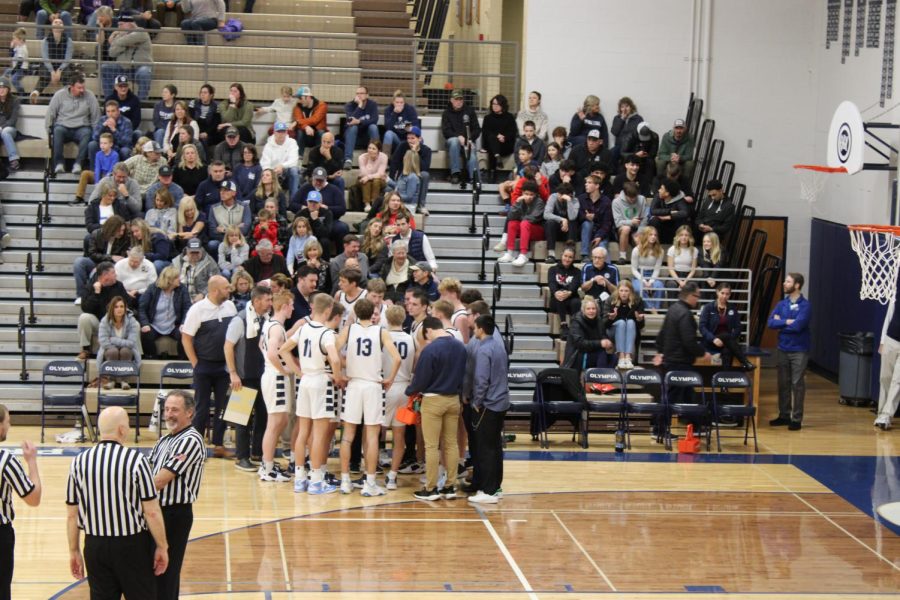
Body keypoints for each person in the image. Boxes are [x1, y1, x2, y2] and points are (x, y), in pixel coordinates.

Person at [66, 407, 169, 600]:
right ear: (121, 430)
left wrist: (73, 551)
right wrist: (162, 546)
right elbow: (152, 512)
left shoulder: (78, 462)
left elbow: (72, 514)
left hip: (95, 545)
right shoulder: (137, 461)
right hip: (131, 546)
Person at [280, 293, 346, 494]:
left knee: (302, 432)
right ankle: (316, 480)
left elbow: (283, 350)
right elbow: (335, 360)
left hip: (305, 380)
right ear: (328, 311)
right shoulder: (326, 333)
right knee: (318, 434)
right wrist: (337, 377)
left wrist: (298, 371)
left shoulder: (303, 328)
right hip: (320, 382)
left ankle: (300, 479)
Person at [335, 299, 401, 496]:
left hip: (354, 385)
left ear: (355, 312)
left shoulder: (349, 330)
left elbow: (332, 352)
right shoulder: (381, 332)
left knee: (347, 436)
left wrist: (339, 374)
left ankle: (345, 481)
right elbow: (397, 358)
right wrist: (390, 378)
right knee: (372, 436)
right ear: (373, 313)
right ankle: (370, 483)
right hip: (373, 386)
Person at [148, 390, 205, 600]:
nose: (169, 414)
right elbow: (146, 471)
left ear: (189, 413)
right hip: (155, 511)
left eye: (175, 410)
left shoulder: (191, 440)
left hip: (174, 514)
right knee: (153, 570)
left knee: (166, 573)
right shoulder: (164, 440)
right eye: (166, 409)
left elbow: (160, 480)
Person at [406, 316, 467, 500]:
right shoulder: (460, 346)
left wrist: (409, 390)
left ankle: (431, 488)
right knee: (451, 444)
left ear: (428, 330)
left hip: (433, 400)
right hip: (454, 399)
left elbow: (421, 378)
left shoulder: (430, 349)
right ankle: (450, 486)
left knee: (431, 446)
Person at [182, 274, 237, 456]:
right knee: (201, 408)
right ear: (215, 290)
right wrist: (196, 364)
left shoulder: (230, 306)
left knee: (223, 407)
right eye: (226, 288)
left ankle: (219, 445)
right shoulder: (197, 310)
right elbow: (186, 338)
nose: (229, 290)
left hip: (224, 366)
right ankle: (196, 448)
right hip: (204, 365)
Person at [224, 284, 272, 471]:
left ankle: (257, 453)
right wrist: (233, 373)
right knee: (241, 418)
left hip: (262, 375)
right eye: (267, 300)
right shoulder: (240, 320)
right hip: (243, 376)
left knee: (263, 415)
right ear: (257, 300)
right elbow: (228, 347)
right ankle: (241, 457)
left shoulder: (266, 319)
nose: (270, 303)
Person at [652, 282, 710, 433]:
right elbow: (689, 341)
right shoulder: (685, 314)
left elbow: (661, 336)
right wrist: (703, 353)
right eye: (697, 296)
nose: (697, 300)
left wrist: (660, 351)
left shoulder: (672, 309)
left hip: (672, 361)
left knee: (687, 395)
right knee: (673, 397)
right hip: (680, 363)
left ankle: (695, 426)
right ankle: (659, 429)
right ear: (690, 296)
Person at [0, 404, 42, 600]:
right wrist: (31, 461)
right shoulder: (6, 461)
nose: (9, 426)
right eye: (7, 422)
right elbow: (33, 498)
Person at [467, 315, 509, 504]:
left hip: (488, 404)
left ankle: (489, 490)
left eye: (475, 327)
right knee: (495, 447)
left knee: (485, 448)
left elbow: (481, 380)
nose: (473, 330)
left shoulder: (484, 350)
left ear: (481, 329)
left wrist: (477, 401)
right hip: (501, 402)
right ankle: (496, 487)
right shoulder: (499, 346)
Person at [258, 290, 295, 482]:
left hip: (271, 375)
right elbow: (272, 353)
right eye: (291, 305)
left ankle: (268, 464)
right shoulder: (276, 328)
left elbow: (260, 345)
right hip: (275, 377)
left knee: (279, 422)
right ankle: (267, 467)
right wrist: (284, 369)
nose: (293, 308)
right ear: (284, 306)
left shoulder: (270, 324)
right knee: (275, 423)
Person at [767, 273, 811, 431]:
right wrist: (786, 321)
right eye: (785, 280)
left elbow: (798, 326)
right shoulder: (781, 304)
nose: (784, 283)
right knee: (783, 383)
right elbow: (771, 323)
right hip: (783, 348)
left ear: (797, 285)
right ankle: (784, 415)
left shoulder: (805, 305)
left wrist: (781, 323)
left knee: (797, 384)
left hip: (799, 349)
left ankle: (796, 418)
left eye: (788, 281)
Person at [382, 305, 415, 489]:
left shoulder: (383, 337)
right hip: (404, 388)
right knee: (399, 435)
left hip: (385, 386)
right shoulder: (410, 339)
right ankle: (393, 477)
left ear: (387, 319)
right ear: (403, 320)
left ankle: (369, 472)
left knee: (374, 431)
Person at [76, 261, 133, 361]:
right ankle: (85, 349)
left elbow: (128, 304)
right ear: (105, 275)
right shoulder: (91, 285)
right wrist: (96, 293)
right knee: (84, 317)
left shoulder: (119, 286)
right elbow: (86, 308)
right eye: (113, 273)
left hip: (115, 323)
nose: (116, 275)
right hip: (99, 322)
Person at [45, 73, 100, 174]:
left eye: (83, 87)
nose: (82, 90)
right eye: (79, 88)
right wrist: (48, 129)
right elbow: (50, 114)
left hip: (82, 127)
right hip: (63, 126)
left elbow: (96, 117)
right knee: (57, 130)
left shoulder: (90, 96)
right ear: (71, 87)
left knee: (88, 132)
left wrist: (96, 134)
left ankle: (78, 164)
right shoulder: (59, 95)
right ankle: (59, 163)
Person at [138, 265, 190, 358]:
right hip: (155, 325)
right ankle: (151, 358)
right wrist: (145, 323)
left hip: (174, 325)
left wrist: (183, 323)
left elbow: (187, 308)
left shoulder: (182, 289)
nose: (180, 279)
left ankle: (183, 361)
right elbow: (142, 307)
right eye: (177, 277)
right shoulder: (153, 288)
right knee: (146, 334)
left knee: (185, 334)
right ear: (169, 280)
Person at [699, 282, 754, 370]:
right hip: (711, 342)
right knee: (726, 335)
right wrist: (713, 339)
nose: (724, 296)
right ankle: (745, 362)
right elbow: (702, 327)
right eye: (722, 293)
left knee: (727, 351)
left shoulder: (732, 308)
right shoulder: (708, 307)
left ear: (730, 295)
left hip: (727, 343)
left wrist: (730, 339)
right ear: (717, 292)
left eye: (727, 294)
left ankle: (724, 380)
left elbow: (738, 327)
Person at [101, 14, 153, 100]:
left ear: (129, 24)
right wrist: (126, 44)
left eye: (121, 24)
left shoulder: (142, 32)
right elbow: (112, 53)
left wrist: (116, 41)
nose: (119, 27)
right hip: (123, 67)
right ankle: (110, 100)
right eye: (118, 25)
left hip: (140, 67)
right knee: (105, 67)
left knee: (144, 72)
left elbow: (124, 41)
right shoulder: (120, 35)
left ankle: (141, 102)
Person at [498, 180, 544, 267]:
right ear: (522, 193)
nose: (528, 197)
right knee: (512, 223)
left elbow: (533, 218)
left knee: (524, 223)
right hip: (525, 228)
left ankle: (523, 255)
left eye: (531, 195)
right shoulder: (520, 200)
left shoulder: (539, 202)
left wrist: (521, 218)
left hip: (537, 231)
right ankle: (509, 253)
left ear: (535, 195)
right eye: (526, 194)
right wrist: (517, 203)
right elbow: (511, 216)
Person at [30, 17, 74, 105]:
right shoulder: (45, 41)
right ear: (51, 26)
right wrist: (52, 72)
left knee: (67, 74)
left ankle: (70, 94)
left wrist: (60, 70)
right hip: (49, 65)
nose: (58, 23)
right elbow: (45, 58)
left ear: (63, 27)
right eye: (55, 22)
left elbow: (67, 58)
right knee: (44, 74)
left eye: (60, 22)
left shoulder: (68, 41)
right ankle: (36, 93)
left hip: (62, 65)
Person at [563, 297, 614, 373]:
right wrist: (600, 343)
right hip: (579, 355)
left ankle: (602, 379)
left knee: (614, 358)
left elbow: (603, 336)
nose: (591, 311)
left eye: (593, 309)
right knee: (602, 353)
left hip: (593, 352)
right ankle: (599, 382)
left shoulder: (598, 320)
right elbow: (579, 343)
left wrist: (607, 343)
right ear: (583, 310)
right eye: (588, 309)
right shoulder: (576, 321)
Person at [602, 280, 645, 370]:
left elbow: (640, 326)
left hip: (630, 331)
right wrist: (611, 318)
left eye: (626, 291)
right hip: (612, 331)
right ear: (618, 291)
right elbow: (604, 324)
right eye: (621, 290)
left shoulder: (637, 301)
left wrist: (639, 319)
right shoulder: (610, 300)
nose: (623, 293)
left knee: (631, 322)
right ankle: (621, 357)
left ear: (631, 292)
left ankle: (628, 357)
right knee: (621, 323)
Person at [441, 88, 480, 185]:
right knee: (454, 141)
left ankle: (474, 180)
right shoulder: (446, 113)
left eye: (460, 99)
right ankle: (455, 174)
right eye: (456, 99)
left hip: (468, 141)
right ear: (451, 100)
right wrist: (458, 137)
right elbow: (446, 131)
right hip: (453, 142)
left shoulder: (470, 111)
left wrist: (469, 140)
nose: (459, 102)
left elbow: (477, 129)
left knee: (472, 156)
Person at [481, 94, 519, 181]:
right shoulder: (488, 118)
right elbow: (485, 132)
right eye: (493, 104)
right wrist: (496, 136)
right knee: (492, 140)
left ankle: (492, 172)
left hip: (505, 145)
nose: (495, 106)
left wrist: (504, 137)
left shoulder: (509, 117)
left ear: (503, 105)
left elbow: (513, 132)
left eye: (497, 104)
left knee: (493, 146)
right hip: (491, 144)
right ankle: (497, 158)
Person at [207, 179, 250, 256]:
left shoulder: (244, 206)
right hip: (221, 241)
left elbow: (245, 229)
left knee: (246, 244)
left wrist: (223, 230)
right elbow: (212, 231)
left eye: (226, 190)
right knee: (212, 244)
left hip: (239, 240)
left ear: (234, 193)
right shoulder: (213, 208)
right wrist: (236, 229)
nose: (222, 193)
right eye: (221, 190)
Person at [578, 174, 615, 260]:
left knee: (602, 249)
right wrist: (585, 217)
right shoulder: (581, 198)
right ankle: (585, 255)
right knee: (587, 223)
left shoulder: (606, 201)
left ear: (597, 186)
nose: (586, 184)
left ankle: (607, 270)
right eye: (586, 182)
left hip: (600, 232)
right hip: (584, 231)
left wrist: (599, 236)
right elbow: (577, 216)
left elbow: (608, 222)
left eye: (589, 182)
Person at [260, 121, 301, 199]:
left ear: (286, 132)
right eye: (278, 132)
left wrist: (282, 166)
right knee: (265, 174)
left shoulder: (292, 143)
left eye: (283, 131)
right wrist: (272, 171)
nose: (281, 134)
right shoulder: (268, 146)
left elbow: (294, 160)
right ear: (274, 132)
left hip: (287, 172)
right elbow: (265, 164)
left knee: (294, 171)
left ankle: (293, 201)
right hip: (273, 173)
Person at [342, 86, 379, 170]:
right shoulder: (349, 105)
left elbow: (374, 120)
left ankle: (375, 158)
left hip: (367, 138)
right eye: (357, 93)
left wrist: (359, 122)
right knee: (353, 127)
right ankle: (348, 160)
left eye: (361, 93)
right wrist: (359, 106)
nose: (359, 95)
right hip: (353, 137)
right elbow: (350, 121)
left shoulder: (372, 105)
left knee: (373, 127)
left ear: (367, 95)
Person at [542, 182, 580, 264]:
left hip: (569, 231)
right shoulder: (553, 197)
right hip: (555, 229)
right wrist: (562, 219)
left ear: (569, 195)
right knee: (550, 222)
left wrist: (569, 202)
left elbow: (572, 217)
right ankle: (551, 255)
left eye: (561, 195)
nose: (559, 196)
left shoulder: (575, 200)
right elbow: (546, 214)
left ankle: (570, 254)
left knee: (573, 223)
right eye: (559, 194)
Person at [612, 181, 648, 264]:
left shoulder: (642, 199)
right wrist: (631, 222)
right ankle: (622, 256)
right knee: (626, 229)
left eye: (634, 197)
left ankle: (643, 259)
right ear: (625, 194)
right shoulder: (616, 202)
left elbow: (644, 218)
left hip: (637, 227)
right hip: (622, 228)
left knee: (640, 235)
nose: (633, 200)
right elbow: (618, 222)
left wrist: (639, 232)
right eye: (630, 198)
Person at [548, 245, 581, 336]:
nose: (567, 259)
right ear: (562, 255)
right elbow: (551, 283)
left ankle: (575, 326)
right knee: (560, 298)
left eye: (570, 257)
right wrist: (556, 292)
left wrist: (569, 292)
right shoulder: (553, 269)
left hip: (571, 298)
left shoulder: (577, 271)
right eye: (565, 256)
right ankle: (563, 326)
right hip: (556, 300)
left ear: (573, 259)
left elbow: (575, 284)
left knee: (576, 302)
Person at [648, 179, 690, 244]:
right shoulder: (658, 195)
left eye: (661, 189)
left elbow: (684, 212)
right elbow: (653, 210)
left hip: (673, 223)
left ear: (667, 193)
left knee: (683, 222)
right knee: (654, 221)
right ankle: (654, 243)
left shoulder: (679, 199)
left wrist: (669, 217)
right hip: (661, 222)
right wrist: (669, 211)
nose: (659, 190)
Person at [694, 179, 735, 244]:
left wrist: (712, 229)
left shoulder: (729, 206)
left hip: (714, 236)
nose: (712, 197)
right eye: (710, 195)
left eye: (714, 195)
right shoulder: (708, 200)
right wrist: (700, 224)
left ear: (721, 191)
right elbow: (699, 217)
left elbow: (726, 227)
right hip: (700, 232)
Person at [292, 85, 327, 155]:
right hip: (305, 134)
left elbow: (315, 120)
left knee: (321, 133)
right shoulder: (297, 107)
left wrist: (297, 121)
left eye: (300, 98)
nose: (299, 100)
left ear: (308, 97)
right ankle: (299, 158)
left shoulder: (322, 105)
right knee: (300, 132)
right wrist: (306, 127)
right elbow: (299, 121)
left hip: (317, 134)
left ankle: (319, 157)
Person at [382, 90, 419, 155]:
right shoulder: (388, 110)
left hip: (407, 139)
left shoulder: (410, 109)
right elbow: (388, 128)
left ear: (404, 102)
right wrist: (394, 114)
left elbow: (415, 126)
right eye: (397, 102)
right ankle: (385, 159)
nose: (399, 104)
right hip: (395, 139)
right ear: (393, 102)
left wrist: (404, 127)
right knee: (388, 133)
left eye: (401, 102)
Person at [355, 140, 388, 212]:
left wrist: (369, 177)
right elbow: (364, 173)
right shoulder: (362, 157)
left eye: (373, 149)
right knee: (366, 181)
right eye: (369, 148)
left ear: (379, 150)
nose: (370, 150)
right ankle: (367, 204)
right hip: (363, 179)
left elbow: (381, 173)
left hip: (380, 180)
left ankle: (374, 203)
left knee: (376, 180)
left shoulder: (384, 157)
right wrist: (369, 160)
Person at [666, 224, 698, 293]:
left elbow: (693, 270)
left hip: (688, 276)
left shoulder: (694, 250)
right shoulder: (672, 249)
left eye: (686, 235)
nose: (684, 237)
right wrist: (680, 282)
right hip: (675, 276)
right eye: (681, 235)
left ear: (690, 237)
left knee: (692, 285)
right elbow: (670, 269)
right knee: (671, 284)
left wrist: (685, 282)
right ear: (678, 236)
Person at [0, 79, 21, 172]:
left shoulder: (15, 100)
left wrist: (1, 127)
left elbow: (13, 120)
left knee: (5, 132)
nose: (1, 90)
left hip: (10, 129)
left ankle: (14, 161)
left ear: (8, 89)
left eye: (4, 88)